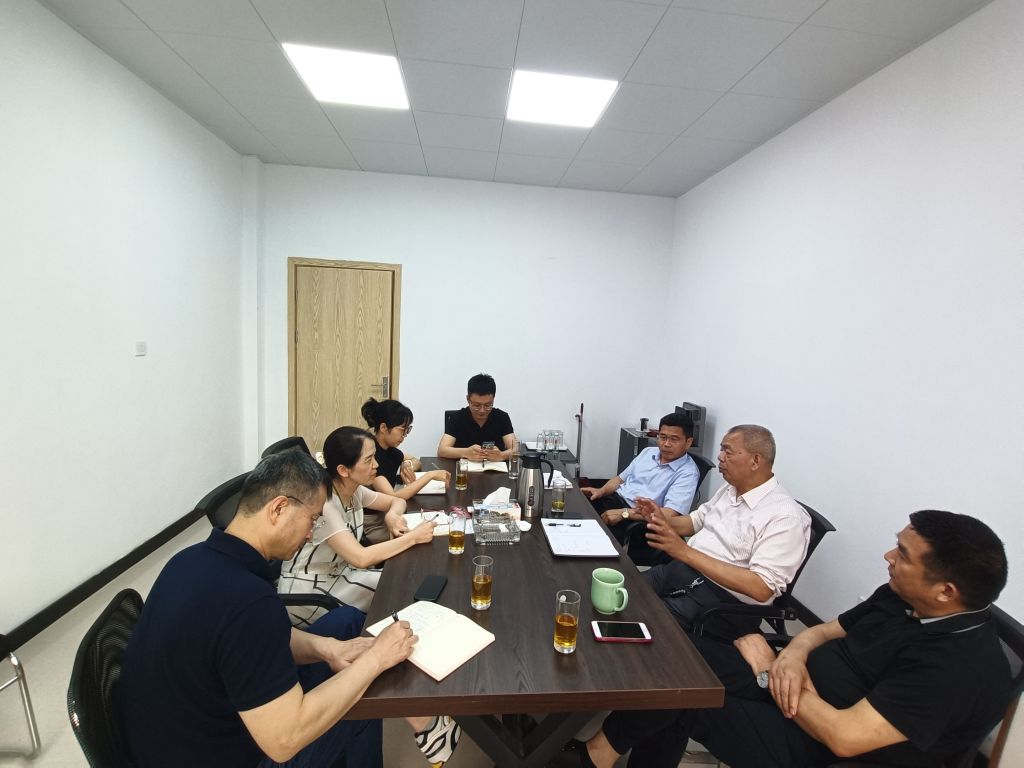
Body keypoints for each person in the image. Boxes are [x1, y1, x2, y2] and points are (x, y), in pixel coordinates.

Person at [567, 510, 1012, 768]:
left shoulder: (957, 667)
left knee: (687, 696)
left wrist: (768, 669)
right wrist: (793, 654)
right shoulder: (901, 597)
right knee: (673, 654)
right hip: (792, 686)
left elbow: (844, 736)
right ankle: (600, 753)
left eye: (903, 554)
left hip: (819, 745)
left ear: (946, 591)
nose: (888, 556)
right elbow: (824, 630)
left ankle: (594, 755)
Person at [117, 450, 415, 768]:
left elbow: (249, 636)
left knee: (344, 621)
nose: (311, 534)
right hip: (234, 751)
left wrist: (328, 649)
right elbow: (285, 740)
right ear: (278, 509)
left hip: (175, 730)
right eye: (312, 520)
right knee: (361, 698)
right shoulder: (250, 601)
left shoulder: (187, 560)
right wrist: (375, 659)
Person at [637, 425, 810, 639]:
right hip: (683, 572)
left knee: (641, 621)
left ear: (755, 461)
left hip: (721, 602)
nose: (720, 457)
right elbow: (694, 522)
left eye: (727, 451)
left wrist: (684, 552)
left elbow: (761, 587)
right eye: (721, 449)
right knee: (621, 592)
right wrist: (659, 518)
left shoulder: (785, 517)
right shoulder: (730, 489)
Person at [279, 426, 436, 616]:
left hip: (342, 573)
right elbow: (361, 558)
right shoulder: (325, 504)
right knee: (402, 589)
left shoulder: (354, 490)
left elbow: (397, 501)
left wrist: (392, 516)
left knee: (405, 580)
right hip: (310, 589)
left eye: (374, 457)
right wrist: (414, 537)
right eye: (368, 460)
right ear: (343, 470)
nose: (376, 465)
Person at [581, 412, 700, 560]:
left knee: (589, 542)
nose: (666, 444)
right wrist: (600, 491)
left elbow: (669, 515)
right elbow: (620, 479)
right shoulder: (648, 452)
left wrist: (624, 513)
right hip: (616, 501)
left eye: (674, 439)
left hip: (637, 523)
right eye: (663, 437)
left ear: (688, 442)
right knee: (575, 509)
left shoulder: (688, 473)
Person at [361, 397, 450, 500]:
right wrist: (430, 475)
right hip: (371, 510)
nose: (405, 435)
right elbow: (393, 497)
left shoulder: (390, 450)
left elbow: (416, 461)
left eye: (407, 430)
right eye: (402, 430)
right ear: (383, 428)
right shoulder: (371, 456)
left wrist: (407, 464)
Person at [437, 373, 516, 461]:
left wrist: (501, 455)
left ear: (493, 399)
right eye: (476, 405)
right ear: (468, 399)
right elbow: (442, 450)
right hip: (464, 468)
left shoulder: (502, 417)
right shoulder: (456, 418)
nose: (482, 410)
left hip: (494, 468)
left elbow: (515, 449)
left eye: (487, 405)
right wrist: (466, 452)